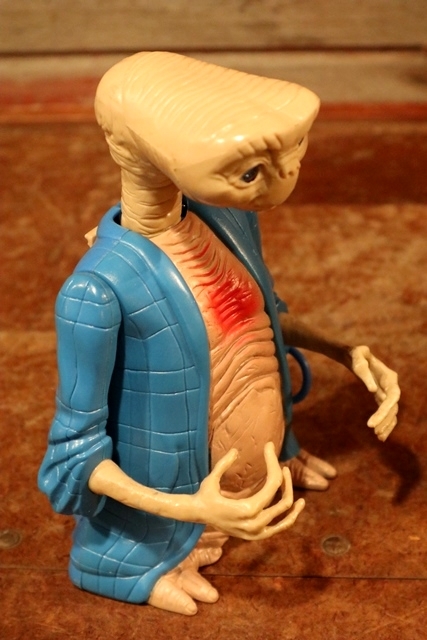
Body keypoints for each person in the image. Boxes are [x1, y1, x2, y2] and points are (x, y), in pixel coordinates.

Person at [39, 52, 400, 615]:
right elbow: (74, 457)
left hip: (265, 482)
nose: (282, 180)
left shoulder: (227, 220)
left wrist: (345, 352)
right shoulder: (96, 292)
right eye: (251, 170)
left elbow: (258, 320)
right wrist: (194, 510)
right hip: (177, 524)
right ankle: (139, 562)